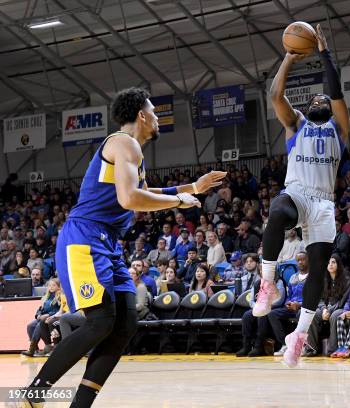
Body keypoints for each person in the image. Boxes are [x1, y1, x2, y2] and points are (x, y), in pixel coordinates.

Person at [22, 87, 224, 407]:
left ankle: (81, 403)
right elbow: (129, 199)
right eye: (154, 112)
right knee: (101, 321)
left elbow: (143, 191)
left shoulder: (132, 152)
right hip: (85, 239)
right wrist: (177, 201)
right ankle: (35, 392)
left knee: (125, 322)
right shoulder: (123, 142)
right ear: (142, 115)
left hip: (107, 242)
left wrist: (193, 187)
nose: (158, 118)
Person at [253, 24, 350, 367]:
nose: (322, 100)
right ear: (308, 108)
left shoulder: (339, 128)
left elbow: (336, 91)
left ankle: (299, 336)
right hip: (298, 193)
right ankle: (267, 286)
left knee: (320, 271)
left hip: (323, 202)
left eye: (325, 99)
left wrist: (324, 54)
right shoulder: (296, 125)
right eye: (316, 99)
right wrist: (288, 60)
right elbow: (275, 97)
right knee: (278, 209)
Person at [305, 255, 350, 357]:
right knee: (312, 314)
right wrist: (323, 310)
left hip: (342, 308)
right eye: (328, 262)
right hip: (325, 309)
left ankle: (332, 349)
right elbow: (319, 298)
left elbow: (343, 301)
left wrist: (328, 311)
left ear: (338, 264)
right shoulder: (324, 278)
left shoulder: (347, 279)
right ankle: (311, 348)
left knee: (335, 315)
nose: (330, 265)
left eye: (333, 262)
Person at [236, 265, 286, 357]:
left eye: (266, 270)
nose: (264, 272)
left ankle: (258, 346)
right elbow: (251, 301)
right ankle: (246, 346)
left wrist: (265, 306)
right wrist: (257, 307)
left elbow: (280, 300)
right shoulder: (257, 283)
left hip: (273, 308)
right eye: (262, 270)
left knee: (262, 315)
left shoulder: (279, 282)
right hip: (259, 307)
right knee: (247, 315)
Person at [268, 252, 309, 357]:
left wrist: (299, 305)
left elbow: (314, 298)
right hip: (292, 308)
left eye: (303, 259)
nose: (300, 262)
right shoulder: (292, 278)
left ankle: (303, 346)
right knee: (272, 314)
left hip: (305, 308)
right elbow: (289, 296)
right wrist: (289, 304)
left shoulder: (312, 278)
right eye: (298, 260)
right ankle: (285, 344)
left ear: (308, 260)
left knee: (302, 314)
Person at [21, 278, 62, 357]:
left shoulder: (60, 297)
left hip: (53, 318)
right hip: (42, 317)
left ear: (59, 287)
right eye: (49, 285)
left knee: (40, 324)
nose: (51, 287)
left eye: (54, 285)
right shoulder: (46, 297)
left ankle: (32, 349)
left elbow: (60, 310)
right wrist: (38, 314)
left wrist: (48, 315)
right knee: (30, 326)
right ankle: (35, 349)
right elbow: (40, 309)